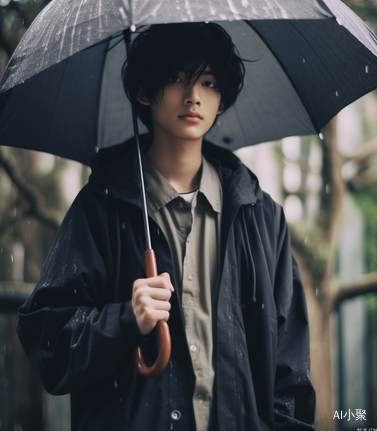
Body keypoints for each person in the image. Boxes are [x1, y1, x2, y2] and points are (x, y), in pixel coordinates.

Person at [17, 22, 316, 431]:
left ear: (222, 100)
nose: (193, 96)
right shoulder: (101, 207)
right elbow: (48, 344)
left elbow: (290, 366)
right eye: (176, 78)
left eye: (209, 82)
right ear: (143, 92)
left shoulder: (260, 216)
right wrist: (124, 320)